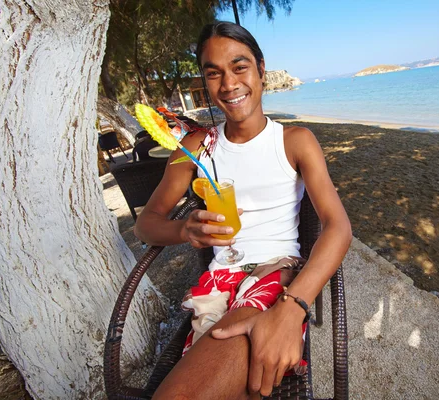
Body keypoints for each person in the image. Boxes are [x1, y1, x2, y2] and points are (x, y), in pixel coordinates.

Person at [134, 21, 352, 399]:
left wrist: (294, 306)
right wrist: (185, 230)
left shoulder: (294, 141)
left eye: (240, 67)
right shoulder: (196, 146)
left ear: (261, 70)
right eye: (213, 73)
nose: (229, 84)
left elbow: (338, 227)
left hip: (275, 275)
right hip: (218, 283)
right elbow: (145, 225)